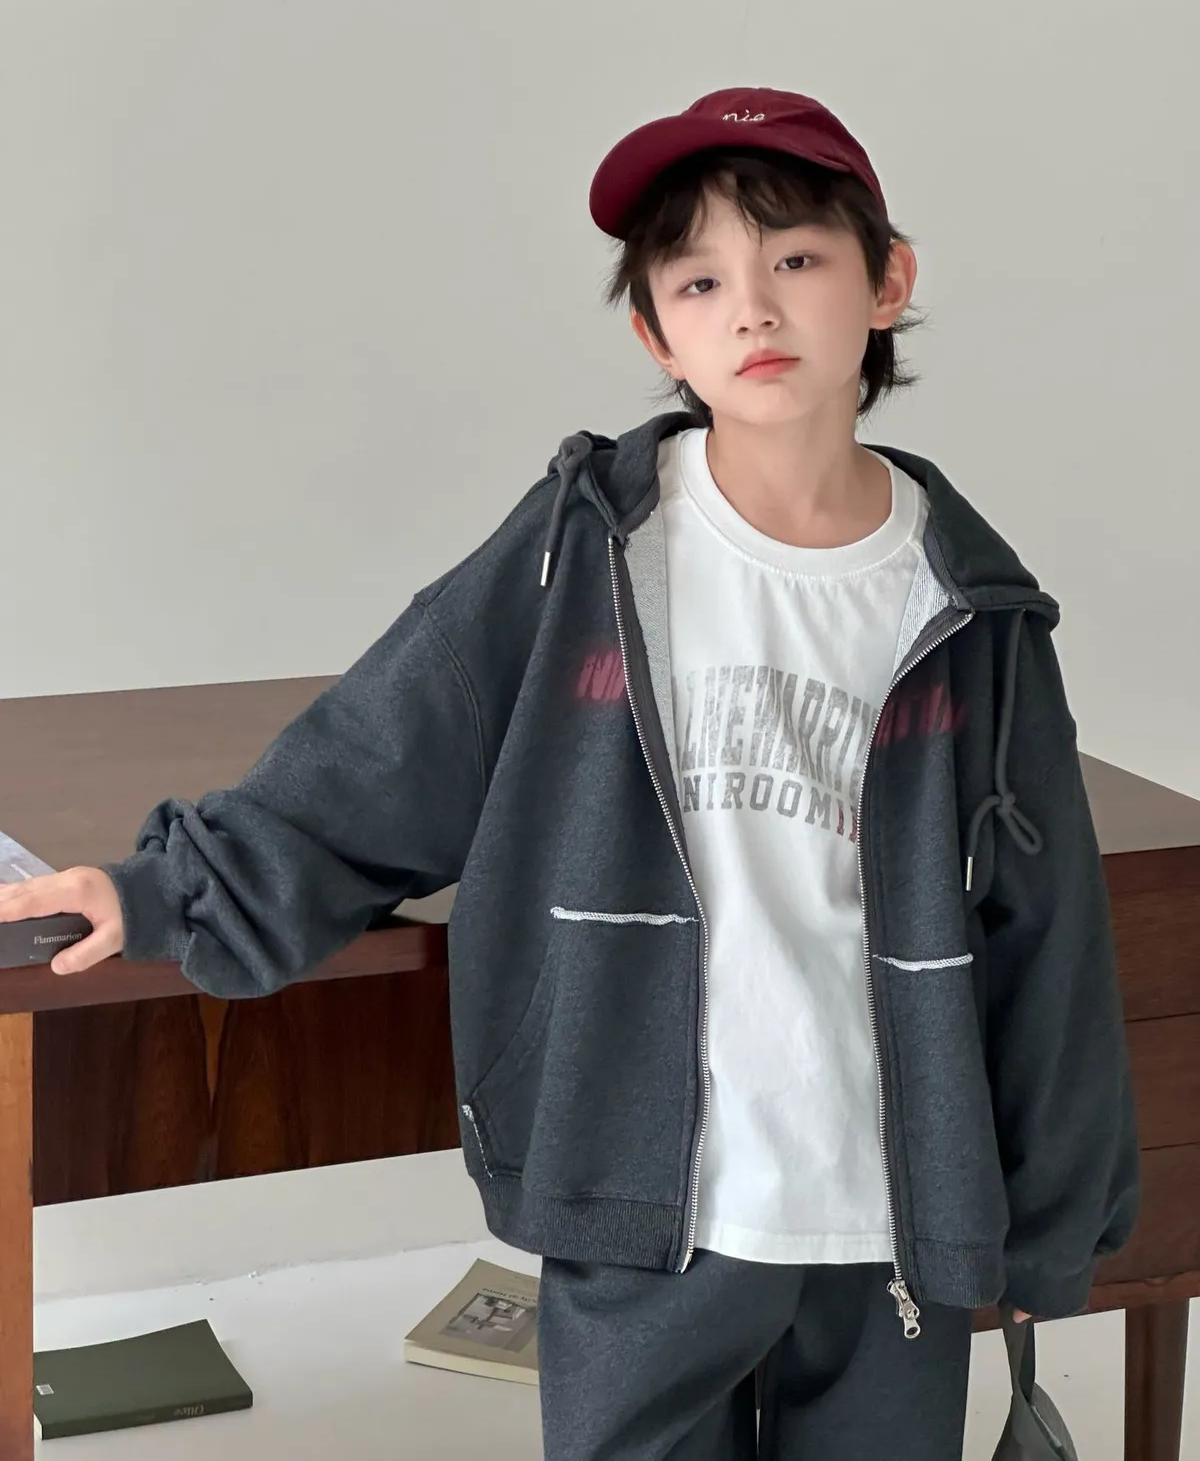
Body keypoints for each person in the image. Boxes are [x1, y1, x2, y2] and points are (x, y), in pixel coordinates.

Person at [0, 87, 1139, 1459]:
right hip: (638, 1185)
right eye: (700, 280)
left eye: (797, 260)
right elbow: (387, 749)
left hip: (889, 1212)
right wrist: (164, 889)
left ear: (887, 282)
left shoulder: (971, 605)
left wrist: (1053, 1217)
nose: (753, 310)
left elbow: (1049, 935)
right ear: (657, 332)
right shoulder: (590, 549)